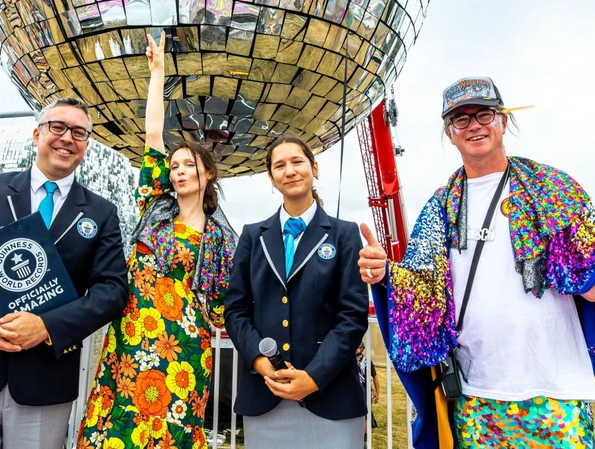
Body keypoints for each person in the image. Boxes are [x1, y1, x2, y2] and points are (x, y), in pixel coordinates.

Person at [358, 76, 595, 449]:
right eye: (461, 119)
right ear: (450, 132)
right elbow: (418, 286)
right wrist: (382, 273)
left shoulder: (553, 190)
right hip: (476, 396)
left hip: (557, 394)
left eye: (484, 114)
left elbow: (593, 284)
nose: (474, 125)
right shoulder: (441, 207)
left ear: (503, 121)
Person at [0, 96, 129, 449]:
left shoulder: (101, 212)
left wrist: (48, 327)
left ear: (86, 145)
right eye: (57, 127)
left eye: (78, 132)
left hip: (44, 381)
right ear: (37, 134)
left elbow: (112, 290)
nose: (67, 138)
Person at [76, 32, 237, 449]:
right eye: (176, 165)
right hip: (133, 332)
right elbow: (152, 137)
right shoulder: (155, 206)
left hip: (185, 345)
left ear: (208, 174)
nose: (179, 171)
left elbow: (226, 298)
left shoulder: (220, 236)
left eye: (189, 165)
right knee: (121, 420)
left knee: (172, 426)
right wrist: (158, 73)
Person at [224, 136, 369, 449]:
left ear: (314, 168)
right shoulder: (253, 236)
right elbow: (236, 310)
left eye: (297, 162)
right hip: (265, 396)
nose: (289, 171)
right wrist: (260, 362)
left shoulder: (344, 234)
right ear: (272, 178)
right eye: (280, 165)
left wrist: (313, 377)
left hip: (330, 396)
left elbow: (352, 315)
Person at [356, 342, 379, 435]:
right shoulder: (350, 361)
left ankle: (366, 436)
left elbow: (375, 377)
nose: (356, 349)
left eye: (358, 347)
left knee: (367, 412)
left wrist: (377, 392)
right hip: (354, 390)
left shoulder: (367, 361)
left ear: (362, 349)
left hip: (365, 391)